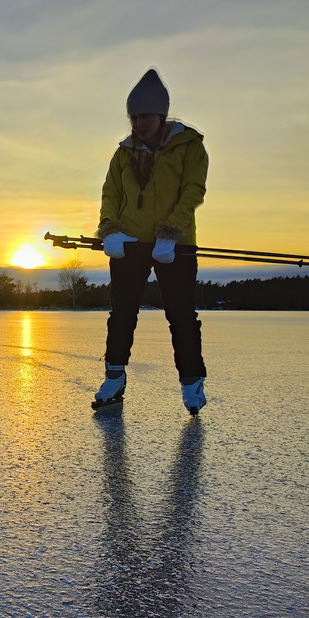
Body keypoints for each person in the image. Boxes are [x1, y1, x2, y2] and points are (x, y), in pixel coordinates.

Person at [94, 68, 209, 415]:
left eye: (145, 115)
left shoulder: (190, 147)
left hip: (175, 246)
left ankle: (192, 383)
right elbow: (111, 193)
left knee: (181, 315)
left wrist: (171, 233)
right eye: (133, 117)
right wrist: (110, 230)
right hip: (129, 243)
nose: (139, 123)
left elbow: (193, 192)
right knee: (122, 313)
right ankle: (114, 378)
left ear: (161, 114)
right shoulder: (124, 154)